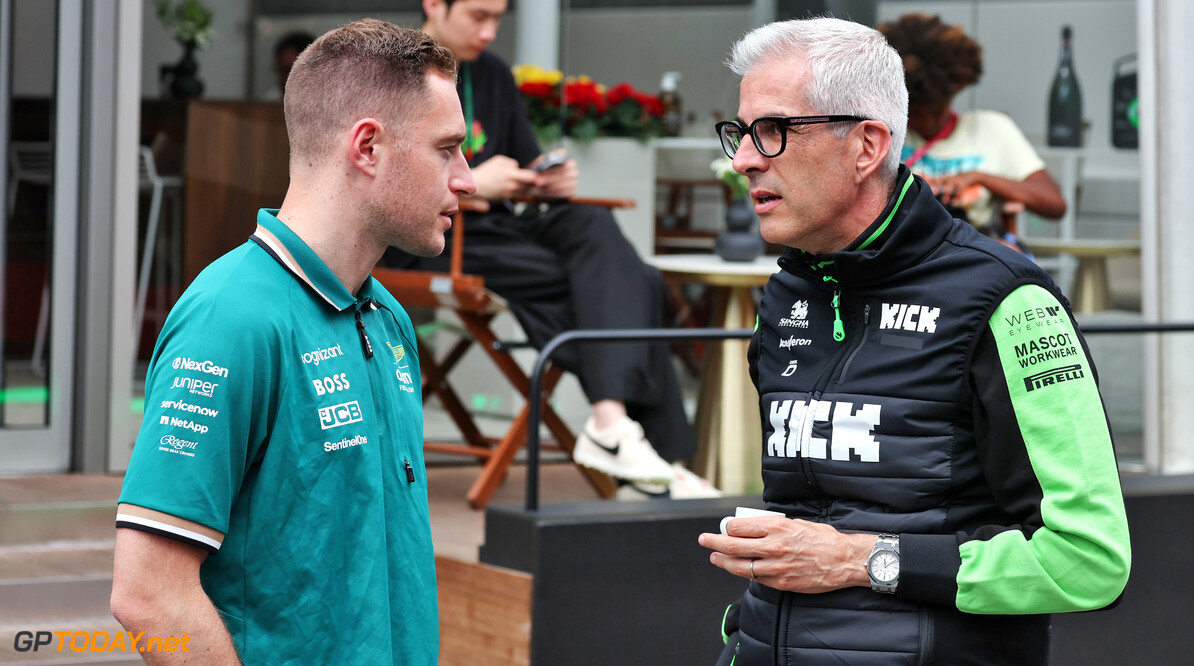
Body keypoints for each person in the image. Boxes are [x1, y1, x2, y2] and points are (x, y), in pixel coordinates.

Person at [698, 18, 1130, 665]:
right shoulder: (787, 292)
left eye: (774, 132)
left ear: (867, 145)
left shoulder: (1009, 303)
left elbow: (1090, 560)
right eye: (740, 132)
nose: (744, 160)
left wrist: (860, 559)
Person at [110, 20, 474, 665]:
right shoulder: (231, 316)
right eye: (447, 149)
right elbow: (148, 596)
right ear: (368, 147)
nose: (467, 180)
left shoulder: (387, 318)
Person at [400, 0, 716, 499]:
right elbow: (386, 179)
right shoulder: (401, 70)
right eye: (478, 16)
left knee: (595, 229)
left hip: (502, 231)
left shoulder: (494, 75)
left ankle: (615, 427)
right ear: (435, 5)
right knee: (632, 282)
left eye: (499, 17)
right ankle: (652, 458)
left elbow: (526, 162)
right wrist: (474, 182)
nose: (490, 30)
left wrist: (548, 174)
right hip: (436, 238)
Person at [877, 13, 1067, 242]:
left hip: (969, 245)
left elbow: (1054, 204)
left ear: (952, 94)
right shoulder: (881, 132)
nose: (927, 120)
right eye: (916, 113)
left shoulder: (991, 128)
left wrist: (979, 178)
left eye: (936, 109)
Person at [263, 31, 314, 99]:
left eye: (288, 71)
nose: (281, 79)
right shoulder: (272, 100)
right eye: (279, 71)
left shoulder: (328, 102)